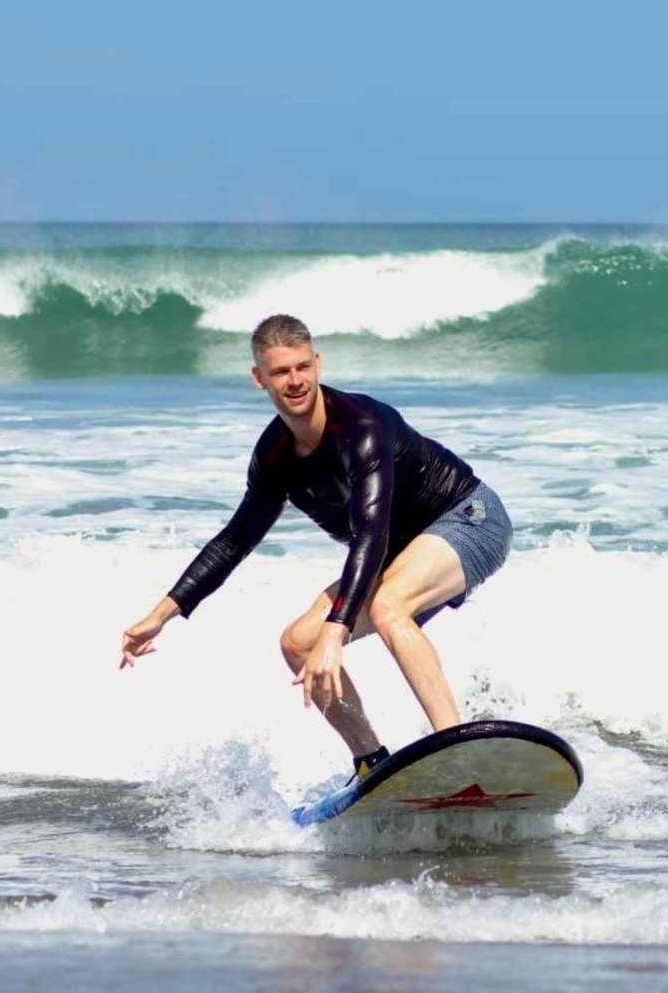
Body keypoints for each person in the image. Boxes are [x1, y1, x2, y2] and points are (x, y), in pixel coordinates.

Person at [120, 314, 512, 781]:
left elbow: (371, 533)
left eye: (302, 367)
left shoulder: (363, 426)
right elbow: (235, 538)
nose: (295, 380)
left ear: (318, 363)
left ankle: (457, 749)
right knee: (299, 643)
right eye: (281, 372)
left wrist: (337, 631)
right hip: (400, 551)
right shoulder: (275, 456)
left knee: (388, 607)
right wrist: (160, 615)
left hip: (468, 518)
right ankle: (371, 762)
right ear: (259, 379)